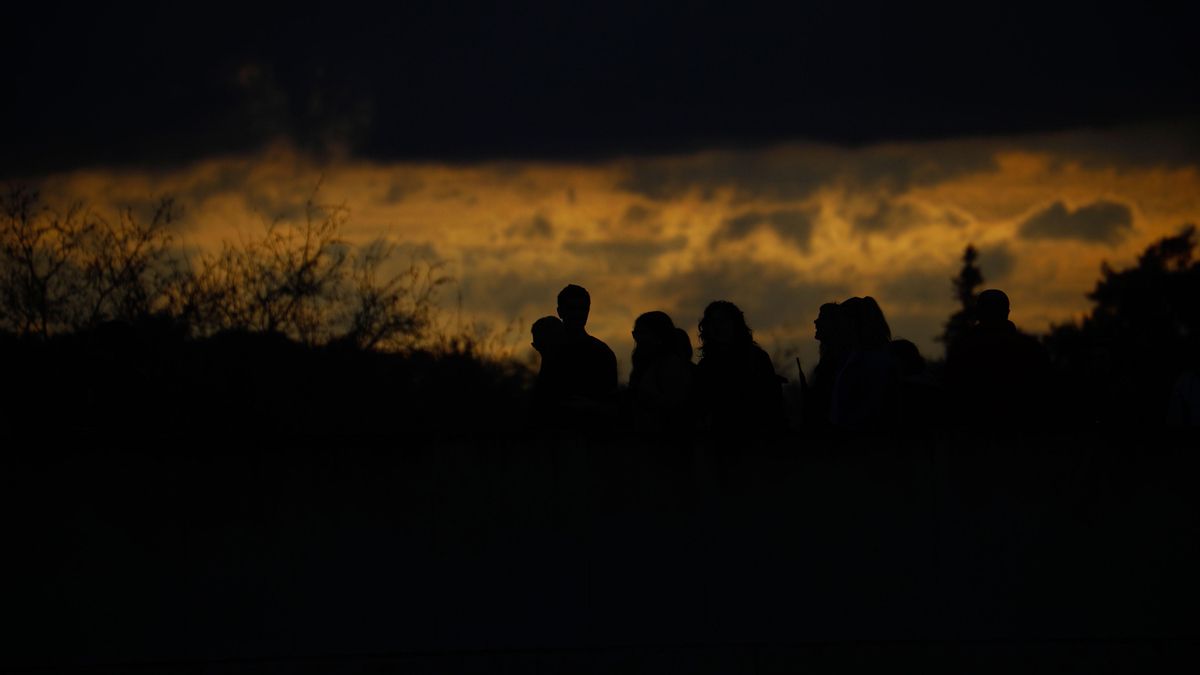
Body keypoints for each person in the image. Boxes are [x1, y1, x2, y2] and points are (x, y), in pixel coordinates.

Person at [945, 289, 1050, 427]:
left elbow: (952, 391)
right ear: (1007, 313)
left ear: (979, 313)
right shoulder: (1029, 348)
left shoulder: (963, 347)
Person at [694, 300, 784, 433]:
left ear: (735, 325)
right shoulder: (706, 365)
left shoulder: (756, 358)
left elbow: (771, 403)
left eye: (723, 321)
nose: (718, 327)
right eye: (713, 322)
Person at [552, 284, 618, 427]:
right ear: (560, 312)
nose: (577, 314)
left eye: (582, 309)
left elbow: (611, 403)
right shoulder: (552, 348)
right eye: (572, 309)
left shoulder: (601, 352)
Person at [830, 296, 899, 429]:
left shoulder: (870, 358)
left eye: (842, 322)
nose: (838, 328)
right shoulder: (856, 356)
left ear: (853, 323)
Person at [629, 311, 694, 432]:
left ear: (659, 335)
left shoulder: (671, 365)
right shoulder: (644, 365)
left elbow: (675, 406)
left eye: (643, 333)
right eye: (635, 333)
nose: (637, 338)